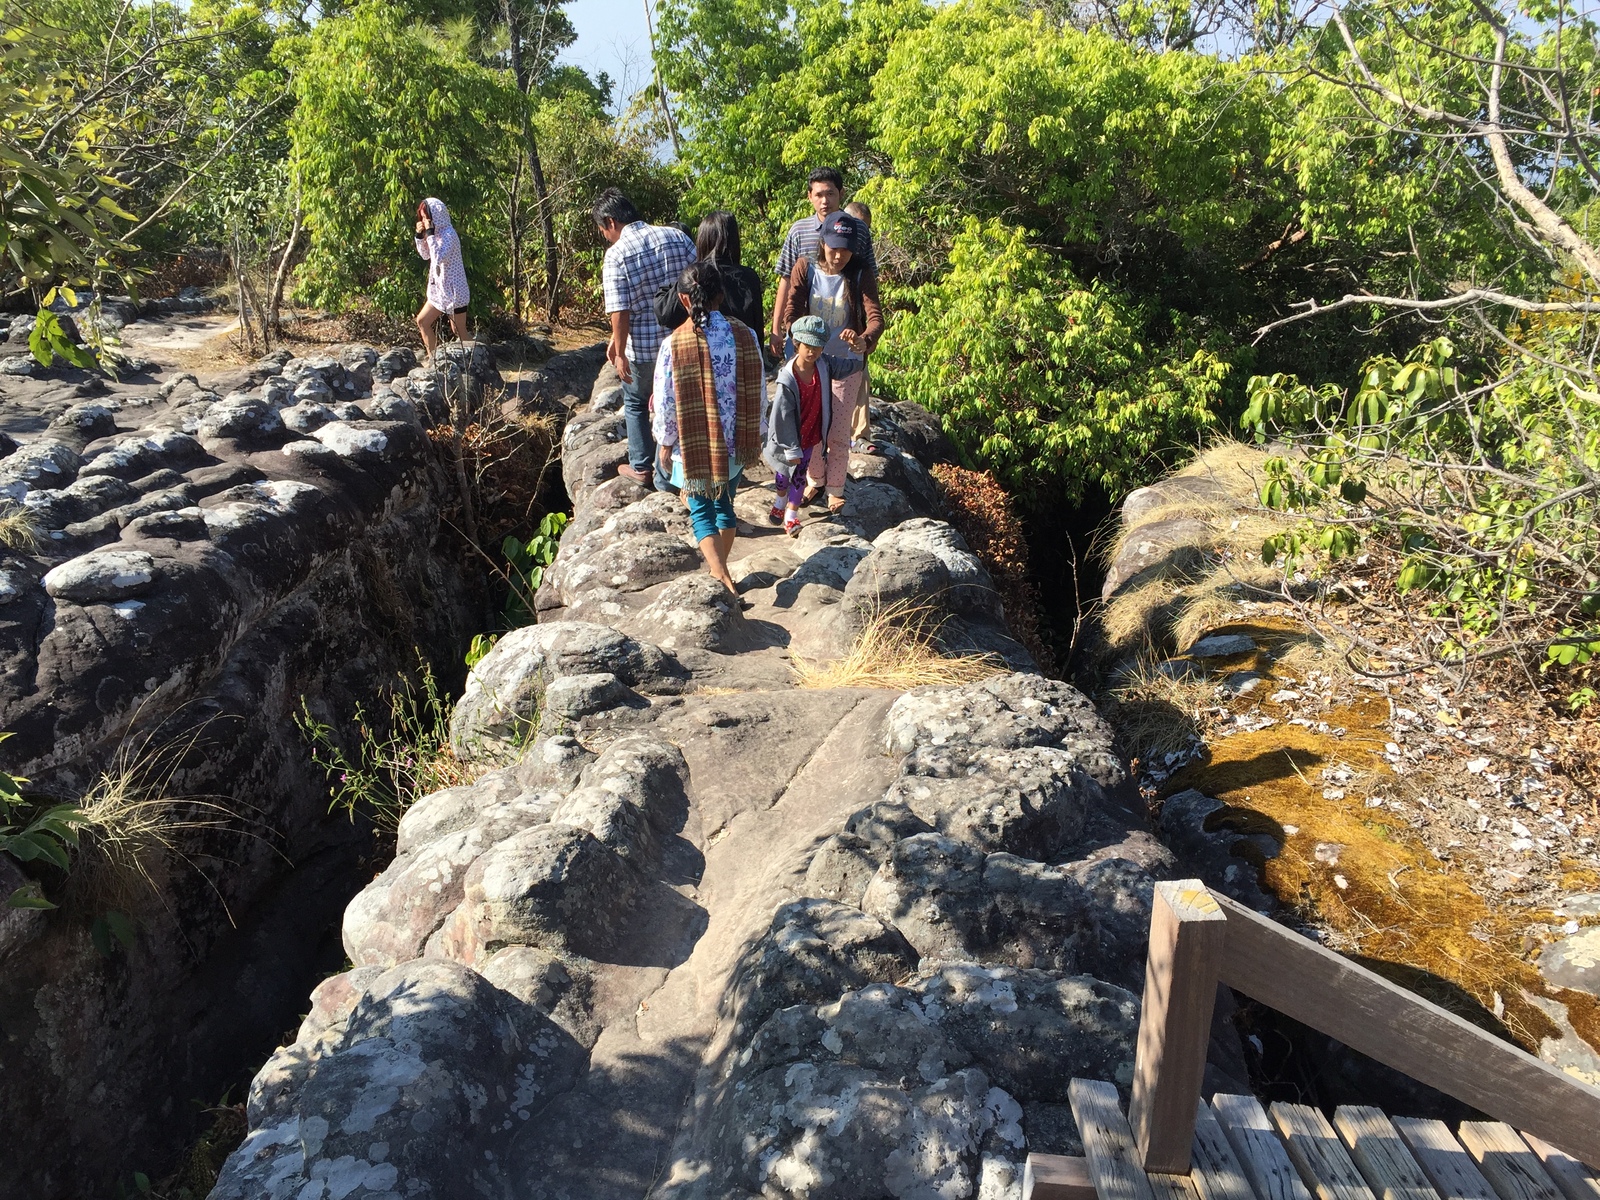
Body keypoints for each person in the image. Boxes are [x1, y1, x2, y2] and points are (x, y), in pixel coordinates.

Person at [652, 262, 764, 594]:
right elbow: (758, 385)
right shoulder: (744, 334)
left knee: (700, 509)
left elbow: (666, 399)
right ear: (721, 294)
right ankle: (722, 569)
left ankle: (721, 577)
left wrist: (665, 440)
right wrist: (756, 431)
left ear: (684, 300)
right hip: (735, 439)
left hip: (695, 443)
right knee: (724, 504)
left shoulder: (674, 343)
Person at [781, 211, 883, 514]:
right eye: (833, 246)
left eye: (846, 249)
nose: (839, 255)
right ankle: (816, 479)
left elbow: (875, 315)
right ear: (822, 241)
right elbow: (792, 308)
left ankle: (836, 488)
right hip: (810, 361)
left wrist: (864, 339)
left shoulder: (860, 273)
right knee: (809, 428)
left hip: (848, 361)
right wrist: (798, 336)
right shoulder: (805, 267)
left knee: (839, 431)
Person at [595, 187, 697, 489]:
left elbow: (620, 310)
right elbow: (701, 280)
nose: (605, 236)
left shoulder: (616, 255)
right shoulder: (677, 237)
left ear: (611, 222)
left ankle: (642, 466)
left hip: (646, 347)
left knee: (637, 402)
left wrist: (620, 352)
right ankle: (688, 465)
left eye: (603, 230)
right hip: (686, 339)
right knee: (685, 400)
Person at [769, 168, 876, 359]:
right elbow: (786, 279)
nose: (825, 201)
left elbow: (868, 281)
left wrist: (868, 336)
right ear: (809, 196)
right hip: (804, 336)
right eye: (819, 195)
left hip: (846, 339)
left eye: (830, 194)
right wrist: (776, 328)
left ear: (841, 193)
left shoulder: (858, 229)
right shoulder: (799, 230)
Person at [764, 315, 832, 536]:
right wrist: (791, 447)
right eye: (807, 346)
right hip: (788, 438)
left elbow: (846, 366)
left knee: (801, 474)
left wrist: (861, 351)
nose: (812, 352)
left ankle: (791, 517)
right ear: (797, 344)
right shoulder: (787, 378)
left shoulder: (822, 366)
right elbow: (782, 417)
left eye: (817, 347)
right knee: (783, 474)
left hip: (810, 433)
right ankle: (780, 498)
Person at [656, 210, 764, 336]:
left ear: (702, 240)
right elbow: (757, 328)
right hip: (742, 350)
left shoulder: (697, 276)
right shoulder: (749, 277)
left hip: (700, 349)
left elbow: (664, 314)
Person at [843, 200, 878, 454]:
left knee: (860, 375)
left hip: (855, 327)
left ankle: (860, 435)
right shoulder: (826, 247)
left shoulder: (863, 256)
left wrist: (868, 337)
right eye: (859, 228)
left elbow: (871, 296)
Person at [414, 198, 469, 357]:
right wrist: (420, 236)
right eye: (422, 217)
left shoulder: (449, 235)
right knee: (423, 322)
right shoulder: (434, 235)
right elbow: (426, 255)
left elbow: (437, 257)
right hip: (439, 291)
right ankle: (433, 362)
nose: (424, 221)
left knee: (459, 331)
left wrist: (429, 234)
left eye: (426, 217)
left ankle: (482, 359)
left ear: (435, 217)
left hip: (454, 292)